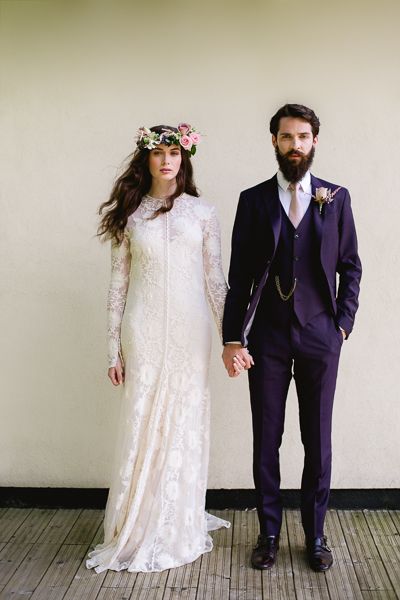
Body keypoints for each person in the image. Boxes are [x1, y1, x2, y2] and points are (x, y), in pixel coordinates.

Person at [222, 104, 362, 572]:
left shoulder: (335, 197)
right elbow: (238, 275)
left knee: (317, 438)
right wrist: (232, 338)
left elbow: (351, 266)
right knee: (267, 437)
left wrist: (343, 323)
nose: (295, 145)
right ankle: (267, 534)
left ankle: (317, 536)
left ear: (315, 141)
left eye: (303, 137)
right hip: (267, 338)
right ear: (274, 142)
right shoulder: (253, 199)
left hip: (322, 334)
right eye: (287, 137)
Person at [86, 123, 230, 573]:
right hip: (143, 329)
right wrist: (113, 349)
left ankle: (176, 522)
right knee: (143, 419)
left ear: (184, 159)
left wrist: (233, 339)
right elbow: (117, 286)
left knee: (184, 420)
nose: (167, 160)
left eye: (174, 152)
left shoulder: (203, 213)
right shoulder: (130, 215)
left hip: (191, 333)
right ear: (146, 159)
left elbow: (215, 284)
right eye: (158, 153)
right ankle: (137, 524)